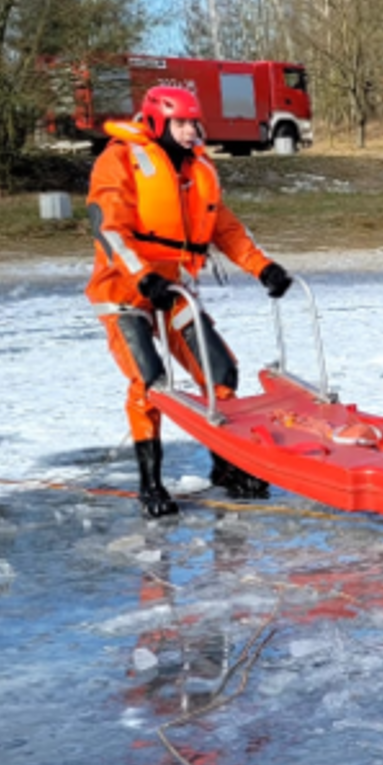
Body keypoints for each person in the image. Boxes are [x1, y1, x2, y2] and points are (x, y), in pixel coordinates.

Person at [86, 86, 295, 517]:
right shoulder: (121, 159)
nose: (189, 131)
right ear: (159, 122)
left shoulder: (197, 168)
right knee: (151, 383)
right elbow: (108, 229)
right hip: (123, 291)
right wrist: (142, 278)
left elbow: (226, 228)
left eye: (192, 123)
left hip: (173, 290)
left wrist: (263, 268)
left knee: (220, 372)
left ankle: (225, 465)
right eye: (180, 123)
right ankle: (151, 483)